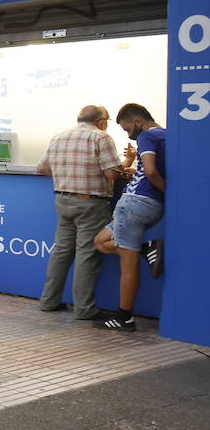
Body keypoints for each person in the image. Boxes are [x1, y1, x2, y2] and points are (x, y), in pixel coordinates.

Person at [35, 106, 122, 320]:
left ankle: (48, 301)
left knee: (62, 251)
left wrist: (67, 174)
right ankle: (84, 309)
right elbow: (111, 173)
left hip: (63, 200)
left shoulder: (59, 136)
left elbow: (42, 169)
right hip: (90, 203)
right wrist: (123, 168)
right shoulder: (101, 137)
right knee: (87, 253)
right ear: (101, 121)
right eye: (108, 120)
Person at [92, 104, 165, 332]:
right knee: (101, 241)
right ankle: (146, 248)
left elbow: (151, 172)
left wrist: (171, 193)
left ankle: (125, 318)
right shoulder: (166, 135)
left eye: (127, 129)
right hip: (149, 206)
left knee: (128, 265)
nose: (129, 135)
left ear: (137, 121)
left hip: (134, 204)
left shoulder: (147, 136)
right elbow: (151, 170)